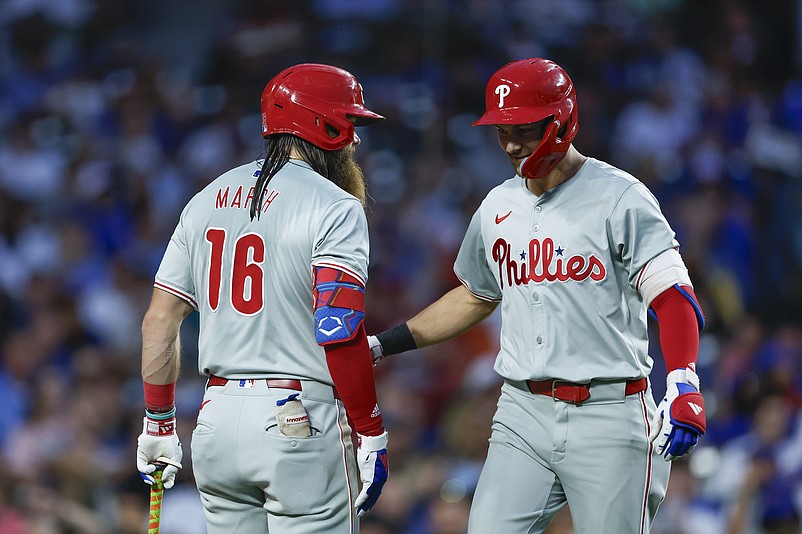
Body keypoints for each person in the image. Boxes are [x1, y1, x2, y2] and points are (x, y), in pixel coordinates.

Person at [369, 58, 707, 533]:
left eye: (523, 129)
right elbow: (474, 295)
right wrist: (384, 344)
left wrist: (684, 379)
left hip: (609, 411)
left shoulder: (620, 197)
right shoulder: (497, 205)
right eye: (502, 130)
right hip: (521, 412)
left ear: (562, 120)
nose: (510, 143)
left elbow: (672, 296)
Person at [135, 63, 390, 533]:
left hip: (213, 423)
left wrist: (159, 421)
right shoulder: (335, 205)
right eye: (349, 123)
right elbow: (339, 326)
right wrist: (370, 428)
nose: (354, 139)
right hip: (296, 419)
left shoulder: (206, 197)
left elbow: (159, 321)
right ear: (325, 125)